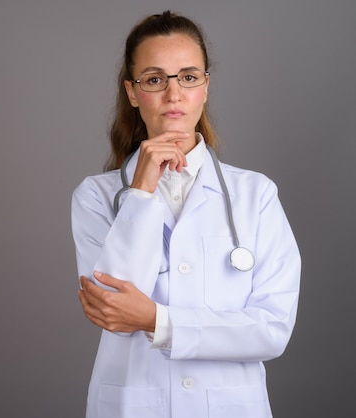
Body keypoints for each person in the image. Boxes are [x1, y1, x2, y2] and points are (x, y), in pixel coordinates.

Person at [70, 11, 300, 418]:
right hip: (134, 405)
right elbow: (111, 309)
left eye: (188, 77)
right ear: (133, 92)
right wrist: (140, 193)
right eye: (155, 79)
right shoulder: (96, 196)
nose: (174, 95)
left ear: (205, 87)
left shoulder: (256, 194)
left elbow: (272, 329)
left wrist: (157, 320)